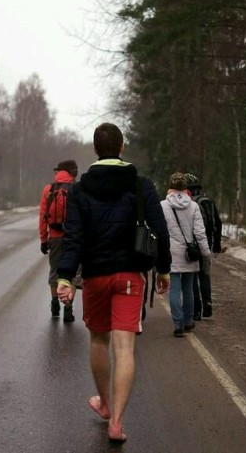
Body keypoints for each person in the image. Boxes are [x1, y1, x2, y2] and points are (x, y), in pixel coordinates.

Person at [56, 122, 171, 443]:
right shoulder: (140, 185)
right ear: (122, 147)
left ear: (95, 150)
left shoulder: (80, 190)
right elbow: (160, 231)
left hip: (94, 276)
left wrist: (65, 276)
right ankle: (117, 423)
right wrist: (163, 270)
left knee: (98, 341)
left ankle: (104, 404)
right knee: (125, 347)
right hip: (130, 276)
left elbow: (73, 237)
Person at [161, 172, 211, 337]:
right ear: (185, 188)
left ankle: (178, 323)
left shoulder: (163, 206)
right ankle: (189, 321)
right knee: (188, 288)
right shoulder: (193, 206)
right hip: (190, 253)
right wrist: (205, 252)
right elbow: (200, 232)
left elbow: (160, 231)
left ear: (170, 186)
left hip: (171, 252)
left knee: (174, 289)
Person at [39, 159, 81, 323]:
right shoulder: (77, 189)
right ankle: (68, 308)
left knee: (55, 271)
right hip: (73, 237)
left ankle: (55, 303)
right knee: (74, 271)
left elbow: (43, 217)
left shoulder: (49, 189)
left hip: (55, 237)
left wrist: (43, 239)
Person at [184, 173, 222, 319]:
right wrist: (216, 244)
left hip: (192, 245)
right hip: (207, 242)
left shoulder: (187, 203)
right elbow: (218, 223)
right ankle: (208, 304)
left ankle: (196, 309)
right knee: (204, 275)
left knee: (193, 275)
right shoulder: (208, 201)